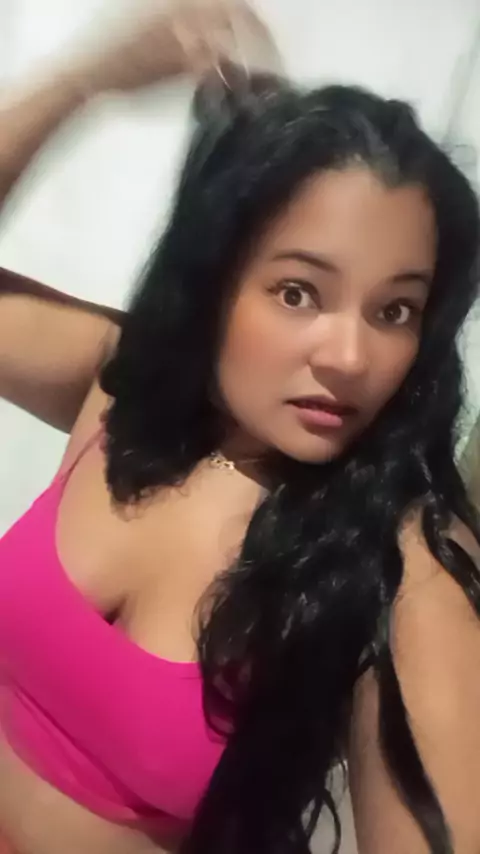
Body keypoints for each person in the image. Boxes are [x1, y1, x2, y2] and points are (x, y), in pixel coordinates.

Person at [1, 2, 480, 853]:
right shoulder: (125, 385)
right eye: (299, 292)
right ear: (217, 277)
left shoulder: (402, 568)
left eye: (394, 310)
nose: (350, 357)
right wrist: (84, 83)